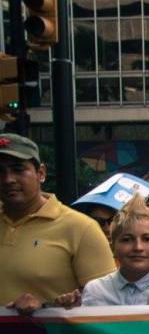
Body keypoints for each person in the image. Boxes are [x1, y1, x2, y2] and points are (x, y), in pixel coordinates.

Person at [1, 133, 116, 315]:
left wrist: (47, 308)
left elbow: (109, 303)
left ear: (41, 173)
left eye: (18, 169)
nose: (8, 179)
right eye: (0, 172)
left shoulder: (81, 229)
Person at [55, 196, 149, 309]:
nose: (138, 247)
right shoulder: (94, 292)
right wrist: (67, 313)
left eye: (147, 239)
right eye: (127, 239)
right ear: (113, 247)